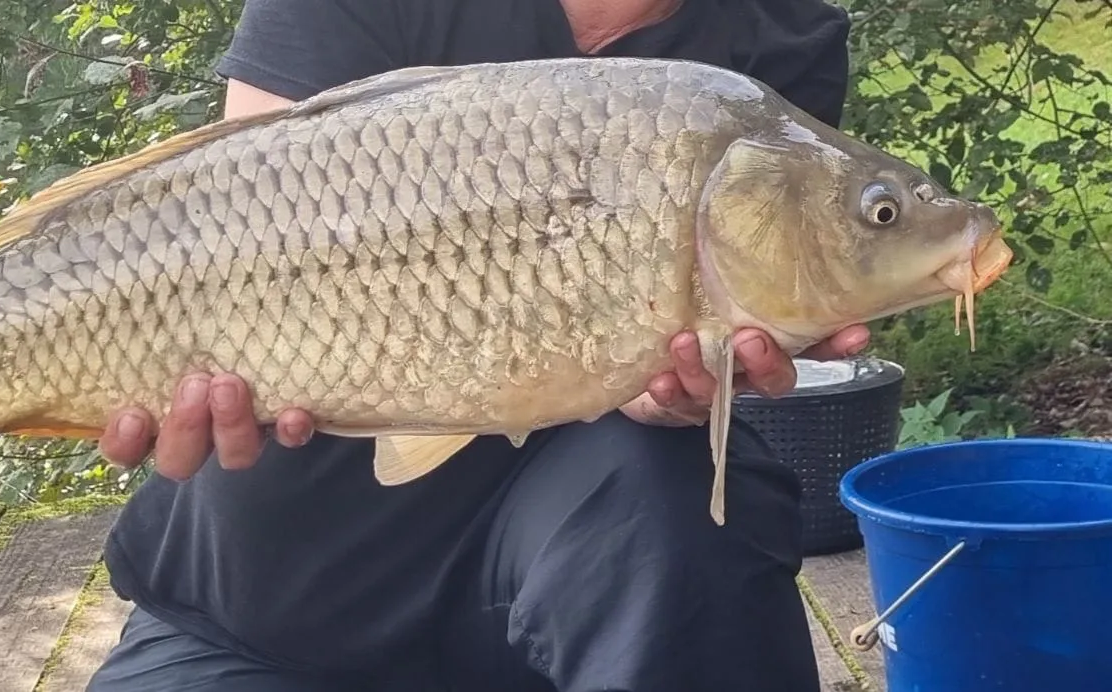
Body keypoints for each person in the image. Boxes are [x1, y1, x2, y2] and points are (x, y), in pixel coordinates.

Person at [86, 0, 867, 690]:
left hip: (568, 582)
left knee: (687, 498)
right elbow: (221, 215)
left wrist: (672, 392)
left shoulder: (779, 44)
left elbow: (683, 347)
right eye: (881, 214)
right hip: (266, 603)